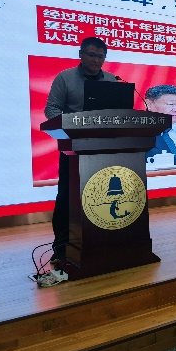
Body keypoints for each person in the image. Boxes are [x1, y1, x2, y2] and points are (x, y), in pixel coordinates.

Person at [44, 37, 117, 263]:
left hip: (104, 148)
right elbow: (51, 110)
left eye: (101, 56)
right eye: (92, 55)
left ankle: (103, 241)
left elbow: (120, 111)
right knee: (68, 197)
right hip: (74, 148)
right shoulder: (65, 78)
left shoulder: (112, 80)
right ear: (81, 54)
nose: (96, 60)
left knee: (103, 194)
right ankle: (62, 246)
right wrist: (72, 127)